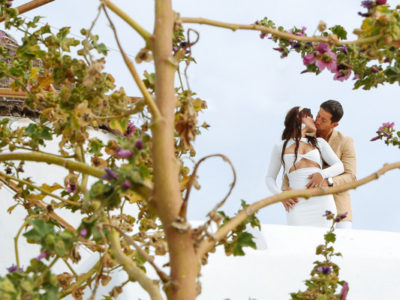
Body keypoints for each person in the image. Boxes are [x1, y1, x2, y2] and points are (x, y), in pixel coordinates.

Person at [281, 100, 356, 229]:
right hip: (305, 205)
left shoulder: (345, 142)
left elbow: (351, 176)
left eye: (323, 120)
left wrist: (327, 180)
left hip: (338, 209)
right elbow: (290, 167)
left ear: (335, 124)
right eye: (318, 116)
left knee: (340, 246)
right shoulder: (304, 137)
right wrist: (284, 191)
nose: (317, 121)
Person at [265, 106, 344, 227]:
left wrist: (322, 174)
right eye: (310, 116)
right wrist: (280, 195)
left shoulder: (319, 143)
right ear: (299, 118)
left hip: (323, 201)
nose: (314, 120)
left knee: (325, 241)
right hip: (297, 204)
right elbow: (269, 178)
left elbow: (339, 166)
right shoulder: (280, 146)